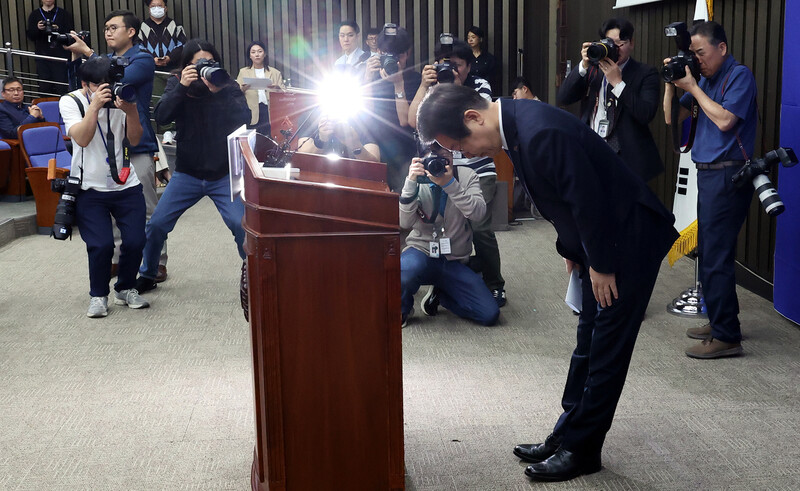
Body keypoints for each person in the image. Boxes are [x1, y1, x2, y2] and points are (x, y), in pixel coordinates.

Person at [416, 83, 678, 482]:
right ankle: (566, 432)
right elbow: (564, 198)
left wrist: (602, 264)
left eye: (460, 145)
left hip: (628, 239)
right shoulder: (516, 127)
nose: (463, 154)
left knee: (606, 347)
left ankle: (583, 450)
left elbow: (587, 201)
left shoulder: (539, 131)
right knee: (587, 340)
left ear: (474, 118)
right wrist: (573, 250)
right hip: (601, 239)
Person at [663, 21, 757, 359]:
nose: (697, 60)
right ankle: (721, 322)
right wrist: (672, 84)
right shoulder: (705, 78)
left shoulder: (738, 76)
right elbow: (670, 119)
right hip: (709, 175)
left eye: (701, 53)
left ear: (722, 48)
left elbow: (725, 120)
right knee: (714, 253)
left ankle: (727, 337)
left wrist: (694, 85)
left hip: (728, 175)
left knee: (715, 255)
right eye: (693, 55)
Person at [136, 39, 250, 293]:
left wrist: (218, 90)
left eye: (208, 62)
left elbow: (245, 119)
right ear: (186, 66)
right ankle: (149, 272)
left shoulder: (227, 84)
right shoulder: (177, 83)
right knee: (156, 225)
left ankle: (254, 275)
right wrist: (182, 87)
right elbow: (162, 116)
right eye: (197, 63)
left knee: (240, 223)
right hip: (186, 173)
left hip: (223, 174)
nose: (203, 68)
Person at [64, 10, 164, 281]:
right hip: (106, 144)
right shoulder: (106, 60)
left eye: (114, 27)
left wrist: (89, 52)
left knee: (146, 208)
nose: (108, 32)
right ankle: (123, 263)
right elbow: (86, 86)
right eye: (105, 28)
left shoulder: (142, 58)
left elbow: (115, 82)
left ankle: (156, 261)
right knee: (116, 211)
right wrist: (79, 57)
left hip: (136, 143)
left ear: (131, 32)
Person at [408, 38, 507, 308]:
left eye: (456, 65)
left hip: (476, 167)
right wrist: (425, 87)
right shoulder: (432, 88)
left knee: (479, 225)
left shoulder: (478, 85)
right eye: (443, 64)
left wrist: (454, 90)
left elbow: (483, 120)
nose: (449, 70)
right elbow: (413, 121)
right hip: (439, 163)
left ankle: (494, 283)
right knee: (440, 221)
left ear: (468, 66)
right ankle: (450, 277)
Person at [59, 57, 148, 317]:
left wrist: (130, 111)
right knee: (101, 245)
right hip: (89, 187)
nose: (106, 89)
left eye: (108, 84)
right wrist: (94, 107)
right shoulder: (71, 101)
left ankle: (125, 288)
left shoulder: (123, 97)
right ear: (85, 85)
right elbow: (82, 139)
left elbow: (134, 139)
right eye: (99, 85)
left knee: (135, 241)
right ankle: (98, 295)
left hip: (125, 183)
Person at [399, 147, 499, 327]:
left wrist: (450, 183)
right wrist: (410, 183)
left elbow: (478, 214)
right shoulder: (417, 179)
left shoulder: (467, 175)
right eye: (434, 157)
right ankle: (402, 309)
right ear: (422, 159)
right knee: (403, 271)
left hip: (454, 258)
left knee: (489, 314)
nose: (440, 162)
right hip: (421, 251)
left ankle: (442, 295)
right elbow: (404, 223)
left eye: (446, 156)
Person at [557, 18, 663, 182]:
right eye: (609, 43)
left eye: (620, 44)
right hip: (591, 150)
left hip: (626, 159)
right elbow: (563, 97)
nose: (615, 49)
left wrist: (617, 83)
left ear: (632, 43)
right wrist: (583, 67)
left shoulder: (646, 73)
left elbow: (646, 113)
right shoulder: (592, 69)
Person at [363, 23, 421, 191]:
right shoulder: (371, 77)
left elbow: (405, 121)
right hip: (374, 147)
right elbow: (365, 114)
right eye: (388, 54)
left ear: (408, 54)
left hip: (404, 151)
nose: (393, 60)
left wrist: (398, 84)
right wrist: (367, 78)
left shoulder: (415, 80)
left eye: (399, 55)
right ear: (379, 53)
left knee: (402, 199)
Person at [236, 41, 284, 137]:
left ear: (264, 54)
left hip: (269, 110)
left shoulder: (275, 72)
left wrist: (277, 88)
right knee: (254, 140)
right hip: (252, 110)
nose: (257, 55)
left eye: (259, 51)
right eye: (253, 52)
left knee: (270, 139)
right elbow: (236, 93)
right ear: (250, 56)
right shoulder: (243, 72)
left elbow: (285, 93)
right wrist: (243, 89)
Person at [26, 0, 74, 95]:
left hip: (60, 56)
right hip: (42, 57)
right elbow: (30, 35)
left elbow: (70, 34)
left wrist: (57, 29)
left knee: (62, 86)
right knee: (44, 87)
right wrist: (38, 29)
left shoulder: (63, 14)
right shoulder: (35, 15)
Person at [297, 114, 380, 162]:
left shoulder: (364, 120)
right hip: (315, 178)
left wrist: (355, 145)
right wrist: (321, 140)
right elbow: (302, 159)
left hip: (355, 179)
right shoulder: (310, 117)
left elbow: (375, 164)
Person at [138, 0, 186, 71]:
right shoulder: (142, 27)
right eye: (153, 6)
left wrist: (170, 58)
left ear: (165, 8)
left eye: (160, 6)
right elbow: (138, 46)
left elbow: (182, 45)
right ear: (149, 9)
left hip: (173, 69)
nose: (156, 8)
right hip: (150, 69)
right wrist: (152, 59)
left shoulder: (176, 26)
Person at [466, 26, 497, 95]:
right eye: (468, 38)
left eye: (473, 37)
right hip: (468, 91)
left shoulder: (489, 58)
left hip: (485, 91)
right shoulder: (465, 57)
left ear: (480, 39)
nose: (470, 40)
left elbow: (492, 78)